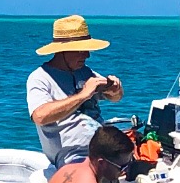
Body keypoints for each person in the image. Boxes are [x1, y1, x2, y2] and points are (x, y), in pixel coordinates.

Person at [27, 14, 124, 166]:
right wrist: (83, 95)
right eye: (81, 50)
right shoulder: (40, 78)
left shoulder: (84, 72)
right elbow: (40, 116)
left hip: (103, 148)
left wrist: (115, 89)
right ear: (63, 50)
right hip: (74, 156)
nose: (87, 55)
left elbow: (116, 98)